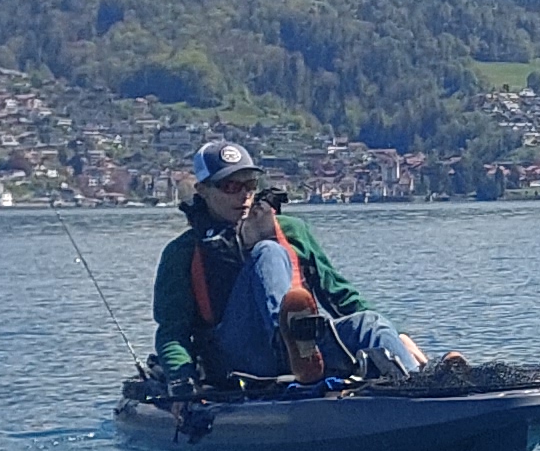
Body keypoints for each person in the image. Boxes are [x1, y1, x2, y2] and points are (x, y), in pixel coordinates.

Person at [146, 138, 428, 385]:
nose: (244, 195)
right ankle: (288, 340)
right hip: (238, 360)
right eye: (230, 186)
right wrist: (181, 380)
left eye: (250, 184)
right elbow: (172, 332)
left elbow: (338, 294)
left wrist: (395, 335)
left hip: (307, 352)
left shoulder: (293, 231)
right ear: (203, 190)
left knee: (371, 324)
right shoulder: (182, 252)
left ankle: (421, 385)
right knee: (268, 252)